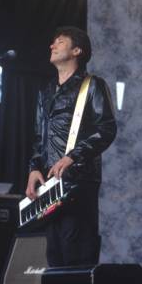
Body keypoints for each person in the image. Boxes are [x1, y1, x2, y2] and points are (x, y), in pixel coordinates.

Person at [25, 26, 117, 267]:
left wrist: (73, 156)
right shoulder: (45, 91)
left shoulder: (93, 85)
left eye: (60, 41)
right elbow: (38, 136)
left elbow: (106, 129)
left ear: (77, 50)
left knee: (76, 257)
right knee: (55, 258)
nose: (52, 45)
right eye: (53, 42)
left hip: (78, 185)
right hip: (50, 187)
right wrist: (34, 168)